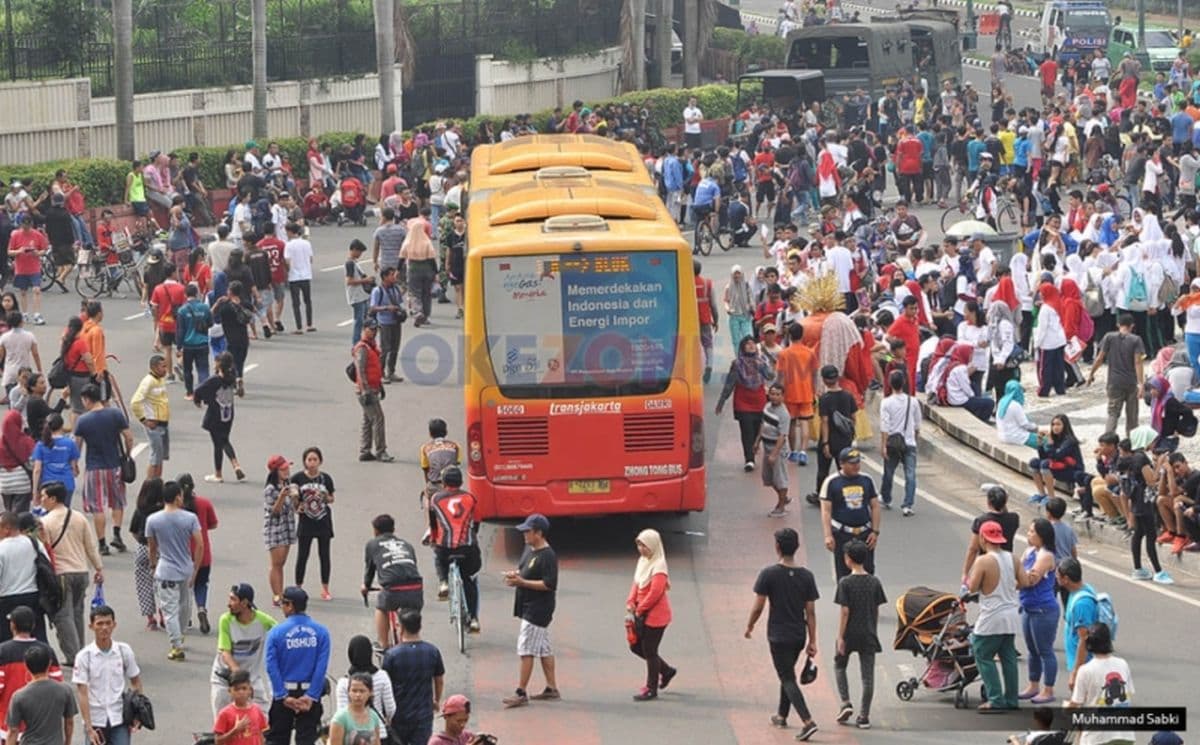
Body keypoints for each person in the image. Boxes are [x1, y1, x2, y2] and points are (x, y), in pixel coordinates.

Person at [744, 528, 819, 741]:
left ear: (777, 547)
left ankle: (808, 721)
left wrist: (750, 626)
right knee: (788, 673)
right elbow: (810, 612)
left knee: (786, 677)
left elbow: (758, 606)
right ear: (796, 547)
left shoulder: (769, 574)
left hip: (778, 635)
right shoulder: (807, 576)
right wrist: (812, 640)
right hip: (798, 635)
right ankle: (781, 714)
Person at [39, 481, 103, 664]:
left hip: (62, 574)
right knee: (77, 613)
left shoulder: (46, 522)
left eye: (44, 496)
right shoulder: (78, 517)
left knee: (63, 617)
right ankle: (80, 651)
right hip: (81, 572)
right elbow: (90, 546)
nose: (42, 500)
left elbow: (46, 551)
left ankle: (74, 656)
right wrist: (98, 568)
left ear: (53, 498)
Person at [968, 520, 1027, 712]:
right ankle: (1011, 698)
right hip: (1011, 614)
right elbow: (1024, 581)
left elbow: (972, 587)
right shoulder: (1013, 558)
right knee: (1008, 656)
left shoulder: (983, 561)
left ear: (983, 538)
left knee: (982, 654)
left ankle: (995, 699)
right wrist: (1008, 588)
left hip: (992, 615)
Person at [502, 514, 559, 708]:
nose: (524, 535)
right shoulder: (529, 550)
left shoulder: (548, 556)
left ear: (539, 533)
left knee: (526, 649)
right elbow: (524, 569)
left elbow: (549, 584)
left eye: (528, 531)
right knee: (544, 647)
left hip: (538, 609)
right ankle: (551, 687)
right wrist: (516, 575)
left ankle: (521, 691)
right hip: (527, 605)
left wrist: (523, 582)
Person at [264, 586, 331, 745]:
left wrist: (282, 696)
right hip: (309, 695)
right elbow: (321, 668)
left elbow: (271, 667)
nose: (282, 607)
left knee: (277, 739)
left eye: (283, 604)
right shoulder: (321, 633)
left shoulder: (276, 633)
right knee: (306, 739)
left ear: (290, 605)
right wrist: (311, 696)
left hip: (284, 693)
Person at [145, 479, 202, 661]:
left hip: (166, 569)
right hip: (186, 568)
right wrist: (195, 568)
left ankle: (176, 646)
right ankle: (180, 635)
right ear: (178, 496)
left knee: (169, 610)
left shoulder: (153, 520)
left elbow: (152, 547)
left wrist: (153, 565)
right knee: (185, 607)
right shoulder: (190, 518)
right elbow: (200, 544)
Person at [73, 383, 132, 555]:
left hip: (94, 467)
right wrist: (127, 454)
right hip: (114, 465)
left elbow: (77, 445)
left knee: (97, 506)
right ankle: (117, 535)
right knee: (117, 501)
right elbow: (128, 437)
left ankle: (102, 543)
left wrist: (74, 464)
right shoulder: (115, 414)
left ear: (86, 399)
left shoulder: (83, 420)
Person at [833, 539, 886, 730]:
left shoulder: (845, 582)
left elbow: (845, 611)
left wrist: (840, 636)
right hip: (868, 632)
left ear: (847, 559)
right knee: (867, 677)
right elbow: (877, 608)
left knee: (840, 666)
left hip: (849, 633)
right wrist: (873, 628)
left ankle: (846, 702)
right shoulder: (874, 581)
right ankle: (864, 716)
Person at [73, 605, 143, 745]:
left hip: (120, 718)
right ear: (91, 626)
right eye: (99, 624)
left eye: (108, 623)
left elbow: (136, 681)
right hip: (96, 720)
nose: (104, 628)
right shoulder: (84, 656)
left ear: (114, 625)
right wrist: (89, 727)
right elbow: (82, 693)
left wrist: (137, 712)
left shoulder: (124, 651)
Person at [211, 583, 277, 717]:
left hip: (251, 679)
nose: (229, 604)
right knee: (223, 722)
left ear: (245, 602)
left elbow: (281, 636)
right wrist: (240, 676)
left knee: (263, 719)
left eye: (233, 599)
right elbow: (225, 653)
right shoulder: (226, 620)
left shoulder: (264, 621)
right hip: (224, 679)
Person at [625, 528, 676, 702]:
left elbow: (656, 592)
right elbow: (637, 583)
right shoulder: (643, 561)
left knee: (650, 650)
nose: (641, 549)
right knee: (636, 646)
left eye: (644, 546)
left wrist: (640, 609)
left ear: (653, 546)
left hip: (656, 616)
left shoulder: (659, 565)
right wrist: (631, 601)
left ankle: (651, 688)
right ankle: (666, 671)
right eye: (639, 545)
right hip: (642, 613)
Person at [427, 466, 481, 630]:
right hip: (467, 548)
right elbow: (476, 522)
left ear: (444, 482)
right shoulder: (470, 498)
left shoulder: (435, 498)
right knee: (469, 579)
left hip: (445, 547)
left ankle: (443, 582)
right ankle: (473, 620)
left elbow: (433, 524)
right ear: (461, 482)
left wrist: (434, 539)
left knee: (439, 559)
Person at [0, 605, 63, 742]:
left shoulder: (3, 651)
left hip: (7, 726)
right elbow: (57, 685)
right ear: (33, 625)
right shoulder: (47, 651)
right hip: (40, 727)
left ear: (13, 625)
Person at [380, 611, 444, 745]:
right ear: (420, 627)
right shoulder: (432, 651)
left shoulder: (392, 655)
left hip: (399, 714)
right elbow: (439, 679)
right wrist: (436, 700)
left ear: (401, 628)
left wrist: (386, 711)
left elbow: (385, 685)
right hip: (423, 714)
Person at [1066, 623, 1135, 745]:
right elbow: (1129, 693)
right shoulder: (1122, 664)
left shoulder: (1085, 670)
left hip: (1097, 736)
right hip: (1125, 734)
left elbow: (1076, 704)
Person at [820, 448, 881, 581]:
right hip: (842, 534)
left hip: (865, 533)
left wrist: (875, 532)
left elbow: (875, 506)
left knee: (868, 571)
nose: (856, 466)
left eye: (857, 462)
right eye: (852, 463)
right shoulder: (831, 482)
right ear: (841, 464)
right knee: (843, 574)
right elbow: (826, 510)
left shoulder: (867, 480)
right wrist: (828, 535)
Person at [715, 336, 774, 471]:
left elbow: (770, 376)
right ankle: (749, 459)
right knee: (746, 430)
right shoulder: (737, 364)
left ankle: (754, 447)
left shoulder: (761, 361)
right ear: (742, 347)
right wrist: (721, 402)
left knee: (757, 430)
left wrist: (766, 361)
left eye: (753, 343)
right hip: (743, 402)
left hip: (759, 401)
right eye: (747, 344)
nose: (751, 346)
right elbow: (729, 384)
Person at [1017, 519, 1060, 705]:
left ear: (1042, 536)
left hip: (1043, 608)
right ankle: (1033, 684)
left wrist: (1017, 580)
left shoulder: (1046, 556)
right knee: (1031, 650)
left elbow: (1030, 579)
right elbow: (1018, 570)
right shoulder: (1029, 552)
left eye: (1032, 531)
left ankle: (1048, 689)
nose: (1029, 534)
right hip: (1028, 606)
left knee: (1045, 650)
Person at [6, 644, 75, 745]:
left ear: (26, 666)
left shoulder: (19, 696)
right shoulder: (65, 690)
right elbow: (69, 722)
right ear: (49, 664)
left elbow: (13, 730)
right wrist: (68, 742)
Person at [1088, 314, 1145, 435]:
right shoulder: (1136, 340)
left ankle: (1108, 441)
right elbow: (1138, 362)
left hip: (1114, 382)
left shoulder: (1109, 337)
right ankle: (1132, 444)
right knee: (1132, 417)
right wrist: (1141, 383)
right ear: (1132, 326)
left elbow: (1099, 358)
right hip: (1130, 382)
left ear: (1118, 325)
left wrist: (1091, 373)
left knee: (1113, 413)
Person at [194, 352, 246, 483]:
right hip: (228, 414)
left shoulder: (215, 380)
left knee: (218, 444)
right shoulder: (232, 377)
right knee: (225, 440)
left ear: (219, 364)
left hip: (215, 415)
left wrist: (198, 401)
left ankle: (218, 474)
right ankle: (235, 464)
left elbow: (198, 390)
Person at [292, 446, 335, 600]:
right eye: (309, 459)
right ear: (304, 461)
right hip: (306, 522)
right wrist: (298, 506)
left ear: (320, 461)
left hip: (323, 521)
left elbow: (332, 498)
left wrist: (325, 497)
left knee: (324, 555)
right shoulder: (297, 478)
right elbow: (294, 499)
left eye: (315, 459)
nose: (312, 463)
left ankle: (325, 588)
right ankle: (298, 586)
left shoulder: (325, 478)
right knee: (302, 555)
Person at [333, 636, 394, 742]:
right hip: (380, 734)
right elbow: (391, 708)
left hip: (353, 737)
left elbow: (341, 713)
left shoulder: (344, 683)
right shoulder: (382, 676)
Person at [0, 512, 49, 642]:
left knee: (7, 639)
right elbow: (47, 563)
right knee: (36, 635)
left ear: (6, 528)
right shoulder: (34, 543)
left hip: (7, 598)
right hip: (33, 596)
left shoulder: (1, 548)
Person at [813, 365, 859, 505]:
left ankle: (821, 496)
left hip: (830, 439)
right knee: (845, 469)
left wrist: (825, 443)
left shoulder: (825, 399)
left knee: (823, 470)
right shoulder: (848, 396)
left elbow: (825, 421)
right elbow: (854, 418)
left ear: (825, 380)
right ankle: (848, 495)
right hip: (844, 440)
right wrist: (851, 436)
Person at [879, 369, 920, 515]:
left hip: (892, 442)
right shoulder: (913, 401)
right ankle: (907, 504)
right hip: (909, 442)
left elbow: (884, 425)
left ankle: (886, 498)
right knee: (910, 474)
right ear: (904, 382)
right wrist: (914, 440)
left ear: (890, 384)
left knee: (889, 471)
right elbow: (917, 425)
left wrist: (883, 445)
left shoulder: (886, 402)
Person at [962, 486, 1021, 588]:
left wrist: (965, 572)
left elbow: (973, 549)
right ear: (1005, 501)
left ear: (988, 502)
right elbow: (1006, 513)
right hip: (1006, 564)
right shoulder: (1014, 519)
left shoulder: (981, 521)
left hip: (987, 565)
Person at [180, 473, 217, 634]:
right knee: (201, 583)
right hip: (203, 553)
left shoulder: (178, 507)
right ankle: (201, 608)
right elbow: (213, 524)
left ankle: (186, 617)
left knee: (184, 587)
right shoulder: (204, 503)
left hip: (182, 553)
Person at [353, 318, 394, 462]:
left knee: (368, 419)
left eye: (375, 329)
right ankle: (381, 451)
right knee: (378, 418)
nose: (374, 332)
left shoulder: (371, 346)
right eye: (371, 329)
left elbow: (374, 368)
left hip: (373, 387)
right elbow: (360, 370)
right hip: (366, 390)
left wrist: (380, 386)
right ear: (364, 329)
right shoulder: (362, 348)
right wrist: (365, 391)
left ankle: (365, 450)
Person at [262, 456, 298, 606]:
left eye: (287, 468)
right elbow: (274, 511)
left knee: (281, 563)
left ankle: (280, 592)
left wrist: (295, 498)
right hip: (275, 527)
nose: (286, 471)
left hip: (288, 526)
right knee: (276, 563)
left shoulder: (289, 484)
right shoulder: (270, 489)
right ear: (275, 471)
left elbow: (294, 508)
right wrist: (282, 496)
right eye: (283, 469)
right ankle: (277, 595)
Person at [129, 354, 171, 481]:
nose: (165, 369)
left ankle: (157, 482)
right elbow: (135, 402)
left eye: (166, 366)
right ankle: (149, 483)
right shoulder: (148, 382)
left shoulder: (160, 380)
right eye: (162, 367)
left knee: (161, 456)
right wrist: (144, 420)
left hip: (163, 423)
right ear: (154, 367)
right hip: (154, 424)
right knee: (155, 457)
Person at [1029, 414, 1084, 505]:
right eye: (1053, 424)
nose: (1055, 427)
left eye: (1058, 424)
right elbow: (1043, 457)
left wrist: (1050, 441)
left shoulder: (1070, 441)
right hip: (1059, 466)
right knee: (1033, 462)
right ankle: (1042, 494)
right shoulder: (1056, 438)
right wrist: (1040, 443)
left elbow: (1056, 457)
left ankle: (1051, 497)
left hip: (1072, 470)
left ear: (1064, 426)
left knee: (1045, 464)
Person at [756, 383, 792, 517]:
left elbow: (782, 436)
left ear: (783, 396)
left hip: (777, 450)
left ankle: (781, 506)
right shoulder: (767, 407)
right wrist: (757, 441)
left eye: (778, 394)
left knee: (780, 478)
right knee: (768, 478)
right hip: (766, 446)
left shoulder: (784, 414)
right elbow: (763, 424)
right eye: (772, 394)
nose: (774, 397)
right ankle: (784, 497)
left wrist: (774, 454)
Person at [212, 669, 269, 745]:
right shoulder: (225, 713)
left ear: (250, 690)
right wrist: (235, 730)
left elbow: (260, 734)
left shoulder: (257, 710)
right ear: (230, 691)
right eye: (236, 689)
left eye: (244, 688)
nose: (241, 692)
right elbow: (218, 741)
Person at [177, 282, 213, 399]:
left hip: (188, 345)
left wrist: (179, 346)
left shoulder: (182, 310)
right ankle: (204, 392)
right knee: (203, 368)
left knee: (188, 370)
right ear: (197, 294)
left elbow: (180, 330)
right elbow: (210, 323)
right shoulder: (205, 307)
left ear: (185, 295)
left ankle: (190, 393)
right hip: (202, 343)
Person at [368, 267, 405, 383]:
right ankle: (380, 373)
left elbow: (399, 302)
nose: (394, 277)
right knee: (385, 349)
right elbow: (372, 308)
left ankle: (391, 372)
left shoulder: (395, 289)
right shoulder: (378, 290)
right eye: (392, 275)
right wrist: (387, 308)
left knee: (395, 348)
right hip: (384, 322)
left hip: (396, 322)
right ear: (384, 277)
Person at [329, 672, 382, 745]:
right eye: (354, 691)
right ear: (348, 692)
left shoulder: (374, 717)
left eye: (362, 691)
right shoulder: (340, 718)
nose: (358, 695)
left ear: (370, 692)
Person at [283, 223, 315, 333]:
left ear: (290, 232)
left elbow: (287, 261)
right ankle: (309, 324)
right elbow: (311, 259)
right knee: (307, 300)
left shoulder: (289, 245)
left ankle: (299, 327)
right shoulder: (307, 243)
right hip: (306, 275)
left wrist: (288, 270)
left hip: (294, 276)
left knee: (296, 303)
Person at [0, 410, 34, 514]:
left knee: (9, 515)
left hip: (5, 484)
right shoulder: (27, 441)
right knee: (20, 517)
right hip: (22, 484)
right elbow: (33, 464)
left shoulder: (1, 442)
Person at [428, 694, 493, 745]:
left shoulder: (468, 737)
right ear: (446, 717)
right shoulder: (436, 742)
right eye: (458, 721)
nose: (463, 725)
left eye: (466, 720)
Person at [344, 239, 373, 345]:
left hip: (362, 295)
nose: (360, 254)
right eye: (360, 252)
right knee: (359, 321)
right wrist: (365, 280)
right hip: (356, 296)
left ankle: (364, 341)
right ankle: (356, 344)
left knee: (365, 320)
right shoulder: (350, 264)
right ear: (354, 250)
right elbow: (349, 281)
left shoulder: (355, 263)